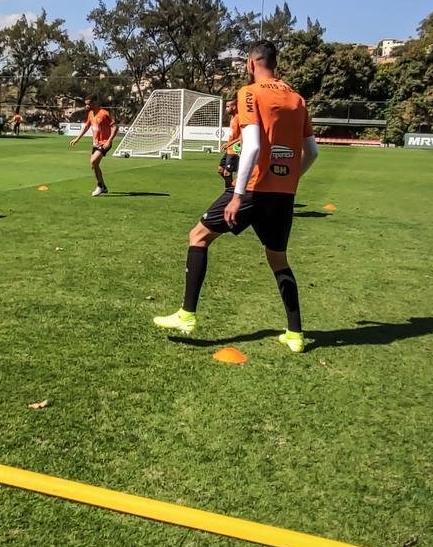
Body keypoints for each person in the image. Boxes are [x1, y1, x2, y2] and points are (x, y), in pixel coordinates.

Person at [153, 42, 319, 353]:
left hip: (252, 189)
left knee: (198, 236)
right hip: (283, 195)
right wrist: (291, 180)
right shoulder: (297, 99)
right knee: (278, 260)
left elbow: (253, 146)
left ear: (252, 62)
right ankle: (295, 335)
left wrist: (237, 195)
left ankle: (187, 315)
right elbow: (312, 152)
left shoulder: (250, 92)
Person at [69, 95, 116, 196]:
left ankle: (99, 186)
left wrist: (109, 140)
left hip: (104, 143)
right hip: (95, 144)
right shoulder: (90, 114)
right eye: (86, 104)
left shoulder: (104, 113)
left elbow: (115, 127)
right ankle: (103, 186)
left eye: (89, 104)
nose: (87, 106)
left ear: (95, 102)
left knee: (93, 161)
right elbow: (86, 126)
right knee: (94, 165)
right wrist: (77, 139)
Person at [217, 96, 240, 188]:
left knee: (227, 172)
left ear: (234, 107)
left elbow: (242, 136)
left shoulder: (239, 118)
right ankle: (233, 188)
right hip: (229, 149)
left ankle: (230, 192)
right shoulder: (232, 118)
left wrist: (229, 144)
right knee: (220, 169)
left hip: (235, 149)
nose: (226, 109)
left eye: (228, 106)